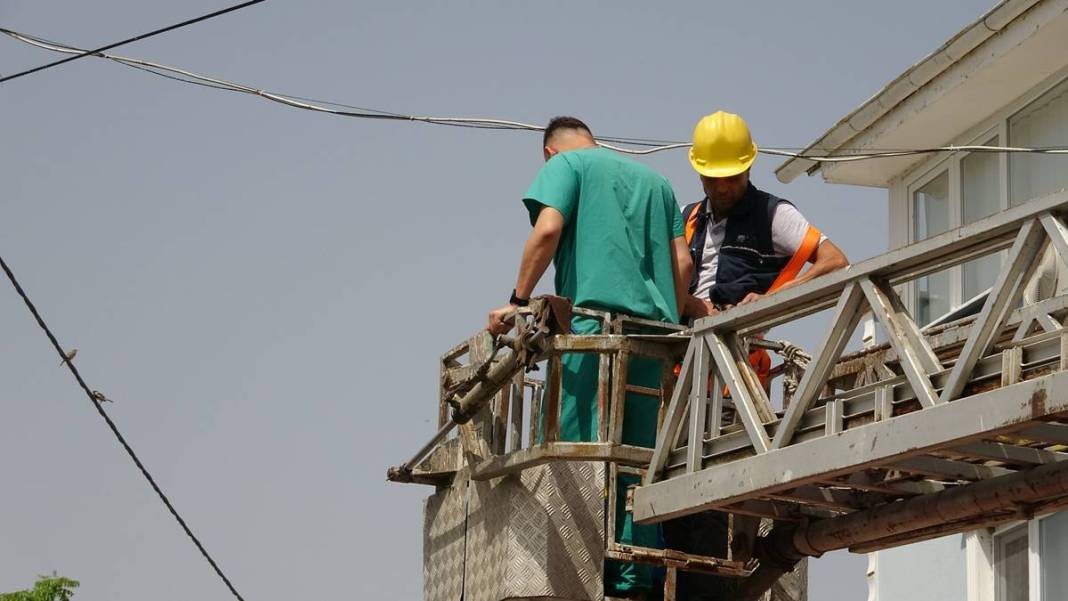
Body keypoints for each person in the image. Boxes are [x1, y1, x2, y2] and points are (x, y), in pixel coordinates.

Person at [487, 116, 692, 599]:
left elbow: (547, 229)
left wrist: (517, 302)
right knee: (637, 462)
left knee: (572, 452)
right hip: (650, 344)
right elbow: (682, 263)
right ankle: (633, 580)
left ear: (548, 154)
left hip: (590, 335)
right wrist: (671, 322)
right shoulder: (658, 183)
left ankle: (565, 573)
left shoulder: (568, 166)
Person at [665, 111, 848, 601]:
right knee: (670, 482)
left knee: (711, 485)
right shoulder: (686, 217)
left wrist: (769, 302)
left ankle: (706, 582)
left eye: (729, 177)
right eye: (711, 177)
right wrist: (686, 303)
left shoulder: (773, 214)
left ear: (748, 169)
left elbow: (834, 261)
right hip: (683, 368)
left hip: (735, 374)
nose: (720, 187)